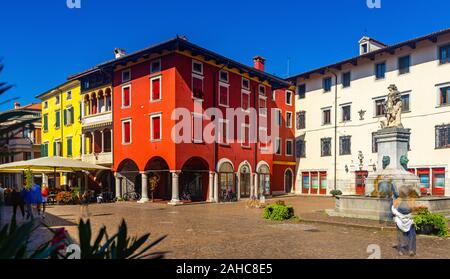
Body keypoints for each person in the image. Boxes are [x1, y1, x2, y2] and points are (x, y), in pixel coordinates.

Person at [392, 188, 416, 256]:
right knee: (406, 235)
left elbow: (413, 209)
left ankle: (406, 250)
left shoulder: (408, 199)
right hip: (403, 220)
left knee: (406, 235)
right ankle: (405, 250)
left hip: (406, 220)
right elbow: (393, 208)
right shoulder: (400, 200)